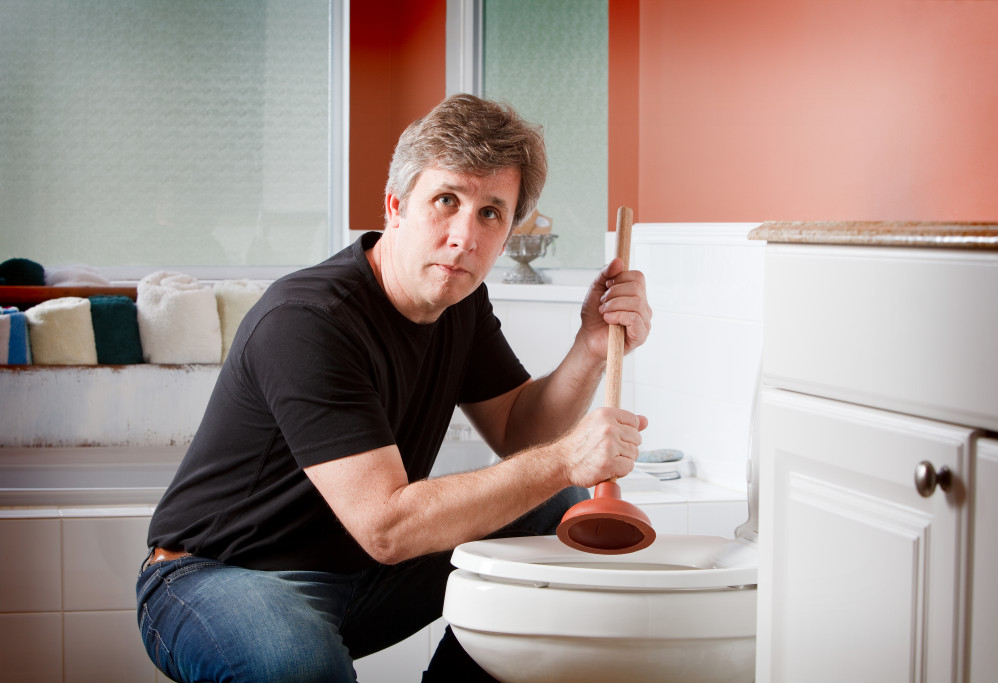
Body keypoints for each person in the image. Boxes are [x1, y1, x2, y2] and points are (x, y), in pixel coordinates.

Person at [136, 93, 653, 683]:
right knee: (298, 666)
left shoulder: (459, 302)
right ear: (395, 207)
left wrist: (589, 347)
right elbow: (387, 526)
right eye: (446, 200)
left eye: (490, 213)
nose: (464, 236)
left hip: (361, 576)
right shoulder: (307, 319)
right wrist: (568, 457)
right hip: (222, 576)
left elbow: (519, 432)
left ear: (507, 233)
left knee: (555, 515)